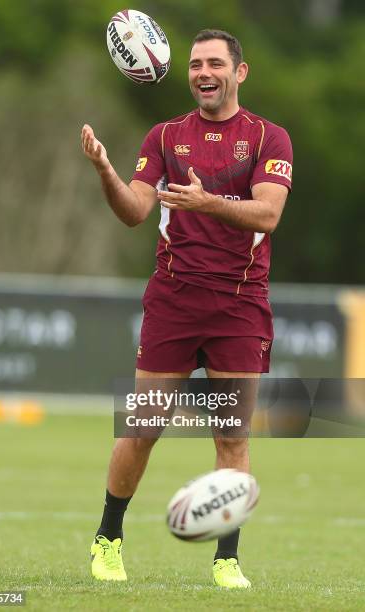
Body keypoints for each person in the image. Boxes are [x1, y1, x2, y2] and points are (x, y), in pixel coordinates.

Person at [81, 28, 292, 589]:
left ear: (239, 73)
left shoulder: (270, 138)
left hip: (240, 304)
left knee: (231, 434)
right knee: (144, 424)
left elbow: (268, 216)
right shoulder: (165, 136)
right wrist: (106, 171)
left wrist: (208, 202)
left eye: (215, 63)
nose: (204, 72)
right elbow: (133, 210)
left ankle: (227, 560)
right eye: (196, 63)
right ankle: (107, 540)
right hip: (173, 300)